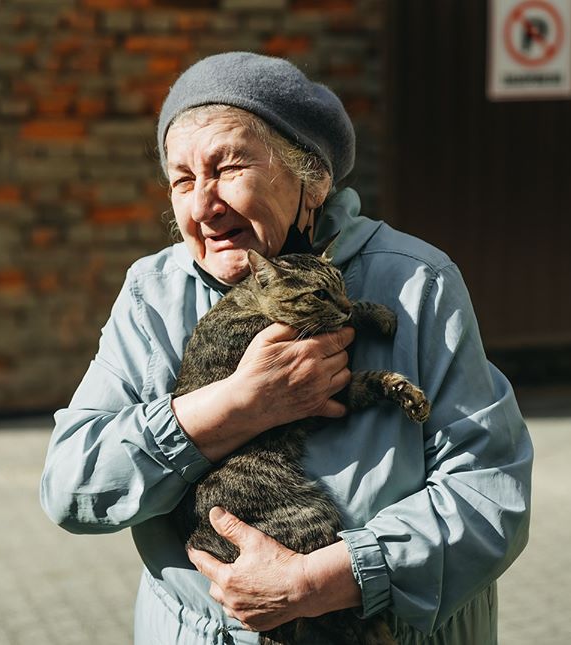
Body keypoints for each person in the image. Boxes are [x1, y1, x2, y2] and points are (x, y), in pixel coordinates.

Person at [40, 51, 533, 645]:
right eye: (182, 180)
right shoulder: (155, 294)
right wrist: (240, 406)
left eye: (228, 167)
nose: (203, 205)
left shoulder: (414, 282)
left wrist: (321, 580)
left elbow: (489, 494)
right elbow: (73, 486)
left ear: (313, 178)